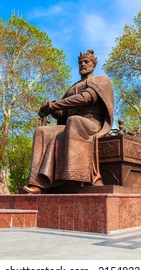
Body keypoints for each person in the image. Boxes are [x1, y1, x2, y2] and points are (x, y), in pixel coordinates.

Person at [23, 49, 114, 194]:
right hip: (72, 124)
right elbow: (62, 115)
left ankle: (76, 178)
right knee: (42, 131)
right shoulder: (71, 88)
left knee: (74, 121)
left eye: (86, 62)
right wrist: (50, 108)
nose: (83, 64)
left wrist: (56, 104)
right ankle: (38, 184)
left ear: (93, 65)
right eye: (80, 62)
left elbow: (86, 98)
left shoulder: (101, 80)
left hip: (92, 124)